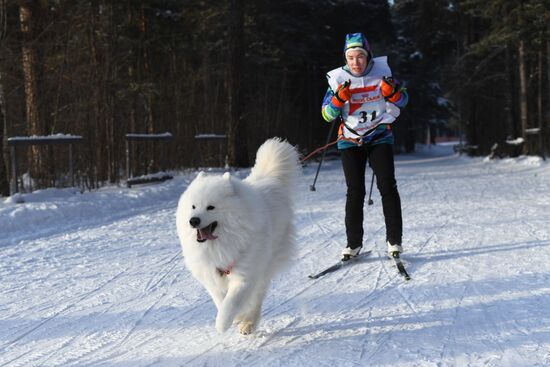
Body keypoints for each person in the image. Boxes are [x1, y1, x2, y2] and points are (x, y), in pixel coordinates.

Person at [321, 32, 409, 261]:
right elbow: (326, 115)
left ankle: (394, 242)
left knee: (387, 186)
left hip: (379, 136)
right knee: (355, 191)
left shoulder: (383, 75)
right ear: (345, 59)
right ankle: (353, 244)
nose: (355, 62)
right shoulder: (337, 79)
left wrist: (394, 93)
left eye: (360, 56)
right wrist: (337, 100)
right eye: (350, 57)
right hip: (349, 140)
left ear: (368, 56)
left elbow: (404, 100)